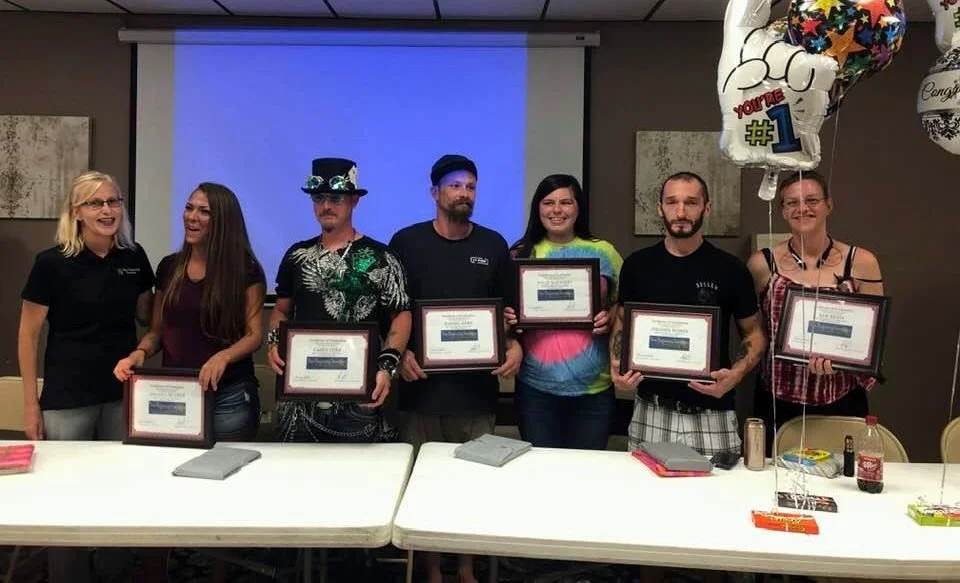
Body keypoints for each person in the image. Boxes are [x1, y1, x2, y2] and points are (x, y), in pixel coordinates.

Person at [390, 154, 522, 583]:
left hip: (476, 395)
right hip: (420, 391)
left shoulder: (493, 245)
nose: (464, 193)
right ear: (435, 192)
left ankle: (466, 570)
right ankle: (430, 570)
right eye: (454, 186)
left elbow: (509, 314)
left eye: (470, 186)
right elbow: (391, 311)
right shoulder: (405, 243)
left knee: (471, 486)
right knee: (423, 489)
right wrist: (402, 354)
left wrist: (515, 344)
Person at [18, 170, 154, 583]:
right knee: (65, 499)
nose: (107, 210)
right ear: (76, 212)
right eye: (96, 203)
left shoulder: (134, 258)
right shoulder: (51, 263)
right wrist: (30, 404)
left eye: (113, 202)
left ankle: (113, 574)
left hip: (121, 396)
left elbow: (151, 322)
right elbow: (27, 335)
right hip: (66, 398)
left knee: (117, 492)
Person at [610, 171, 766, 455]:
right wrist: (616, 365)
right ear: (660, 208)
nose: (681, 211)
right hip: (652, 410)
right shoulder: (637, 266)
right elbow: (622, 321)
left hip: (712, 412)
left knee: (719, 498)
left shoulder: (730, 269)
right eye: (672, 202)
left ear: (706, 208)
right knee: (647, 496)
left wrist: (735, 374)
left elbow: (754, 333)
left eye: (691, 202)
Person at [266, 157, 411, 443]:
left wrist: (387, 367)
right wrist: (273, 341)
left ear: (354, 200)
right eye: (319, 198)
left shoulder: (383, 258)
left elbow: (401, 315)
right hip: (301, 397)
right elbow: (281, 310)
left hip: (359, 395)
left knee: (356, 481)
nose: (326, 206)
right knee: (294, 477)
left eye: (336, 198)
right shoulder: (297, 256)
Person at [114, 182, 266, 441]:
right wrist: (138, 354)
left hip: (228, 396)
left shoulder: (245, 270)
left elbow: (254, 335)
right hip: (176, 394)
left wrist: (223, 357)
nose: (192, 217)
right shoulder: (169, 268)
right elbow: (156, 332)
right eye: (188, 208)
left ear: (223, 220)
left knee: (226, 471)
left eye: (204, 211)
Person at [746, 170, 884, 449]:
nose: (802, 209)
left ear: (828, 205)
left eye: (812, 200)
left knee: (843, 482)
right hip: (778, 398)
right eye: (792, 203)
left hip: (840, 397)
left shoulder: (860, 262)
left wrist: (844, 359)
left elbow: (873, 334)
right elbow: (757, 331)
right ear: (783, 211)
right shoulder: (762, 263)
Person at [509, 174, 623, 450]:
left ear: (578, 207)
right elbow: (504, 311)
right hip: (536, 388)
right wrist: (511, 320)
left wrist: (610, 316)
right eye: (548, 202)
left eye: (565, 202)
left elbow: (623, 304)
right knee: (542, 475)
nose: (556, 210)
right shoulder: (519, 253)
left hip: (594, 389)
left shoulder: (604, 252)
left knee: (587, 475)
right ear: (538, 208)